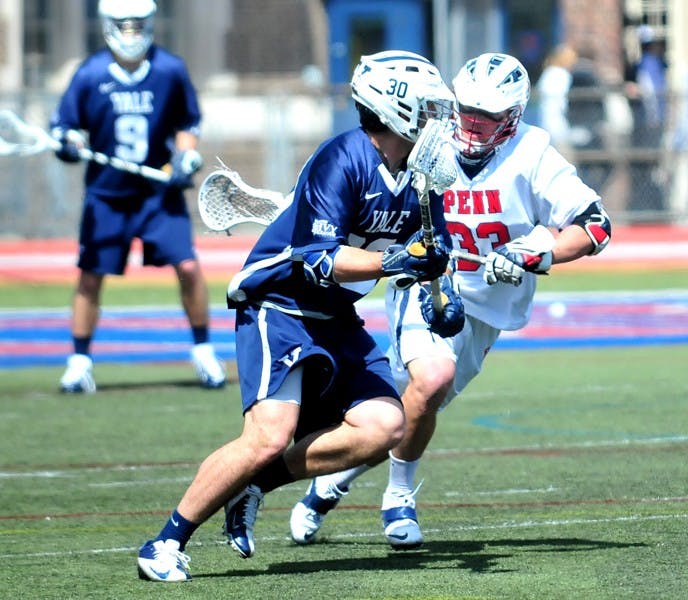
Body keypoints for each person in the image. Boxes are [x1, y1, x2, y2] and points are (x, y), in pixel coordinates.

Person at [221, 52, 612, 554]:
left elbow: (595, 225)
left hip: (488, 304)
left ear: (513, 118)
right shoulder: (429, 136)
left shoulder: (533, 154)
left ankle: (329, 484)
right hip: (424, 281)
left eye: (488, 116)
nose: (471, 124)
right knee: (430, 380)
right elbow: (360, 197)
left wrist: (538, 252)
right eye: (467, 110)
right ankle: (399, 497)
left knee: (408, 410)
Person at [136, 49, 464, 582]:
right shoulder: (343, 158)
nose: (436, 121)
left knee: (384, 426)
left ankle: (256, 486)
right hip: (280, 303)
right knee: (268, 436)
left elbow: (431, 250)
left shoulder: (421, 174)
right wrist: (396, 261)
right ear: (394, 108)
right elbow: (321, 259)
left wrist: (439, 294)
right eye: (426, 108)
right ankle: (164, 542)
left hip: (334, 312)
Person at [50, 0, 225, 393]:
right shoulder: (90, 72)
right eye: (123, 25)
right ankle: (79, 362)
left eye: (137, 24)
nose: (131, 33)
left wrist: (185, 155)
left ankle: (203, 351)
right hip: (107, 195)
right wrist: (70, 143)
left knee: (189, 268)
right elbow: (66, 126)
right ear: (108, 26)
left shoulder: (169, 69)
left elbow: (188, 122)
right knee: (90, 276)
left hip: (157, 194)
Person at [627, 25, 668, 213]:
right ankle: (652, 207)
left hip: (651, 124)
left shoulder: (649, 64)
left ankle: (655, 207)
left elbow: (651, 95)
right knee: (649, 167)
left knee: (653, 167)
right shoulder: (649, 64)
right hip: (651, 124)